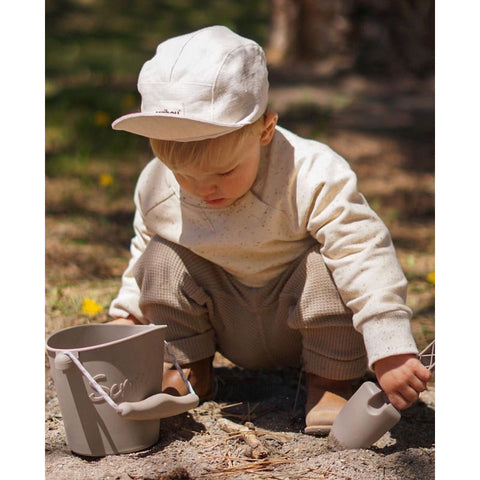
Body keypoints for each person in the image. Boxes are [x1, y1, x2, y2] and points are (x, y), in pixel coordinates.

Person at [108, 25, 431, 434]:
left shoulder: (312, 174)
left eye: (223, 171)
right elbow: (141, 256)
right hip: (226, 318)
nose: (204, 189)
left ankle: (329, 383)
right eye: (183, 175)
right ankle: (190, 369)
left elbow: (362, 252)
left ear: (265, 129)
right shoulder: (158, 185)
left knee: (326, 263)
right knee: (162, 257)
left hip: (305, 320)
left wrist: (390, 346)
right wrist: (125, 317)